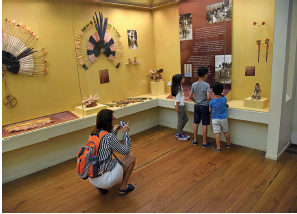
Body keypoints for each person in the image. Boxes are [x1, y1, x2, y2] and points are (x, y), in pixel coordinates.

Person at [88, 109, 136, 196]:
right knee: (131, 157)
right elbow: (126, 151)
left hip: (92, 175)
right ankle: (123, 188)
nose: (115, 120)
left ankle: (101, 187)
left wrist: (114, 131)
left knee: (112, 161)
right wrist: (125, 133)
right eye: (113, 119)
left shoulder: (93, 134)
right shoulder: (109, 137)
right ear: (108, 122)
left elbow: (104, 143)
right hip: (103, 178)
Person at [189, 66, 213, 148]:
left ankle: (195, 140)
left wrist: (196, 101)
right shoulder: (206, 85)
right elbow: (208, 97)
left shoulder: (194, 84)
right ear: (205, 75)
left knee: (196, 123)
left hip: (197, 106)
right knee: (204, 125)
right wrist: (210, 104)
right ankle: (204, 142)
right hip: (205, 106)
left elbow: (190, 96)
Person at [209, 82, 231, 152]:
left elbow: (210, 110)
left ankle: (218, 147)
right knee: (226, 131)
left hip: (215, 119)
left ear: (212, 91)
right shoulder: (224, 99)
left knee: (217, 133)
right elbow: (224, 96)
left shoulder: (211, 102)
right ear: (222, 91)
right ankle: (228, 144)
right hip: (223, 118)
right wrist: (222, 94)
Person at [171, 74, 190, 140]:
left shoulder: (178, 86)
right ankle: (179, 134)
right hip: (180, 106)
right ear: (179, 80)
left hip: (181, 105)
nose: (184, 79)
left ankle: (179, 131)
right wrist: (177, 107)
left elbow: (170, 83)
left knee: (185, 119)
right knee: (180, 120)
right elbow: (177, 99)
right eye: (183, 78)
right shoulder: (178, 88)